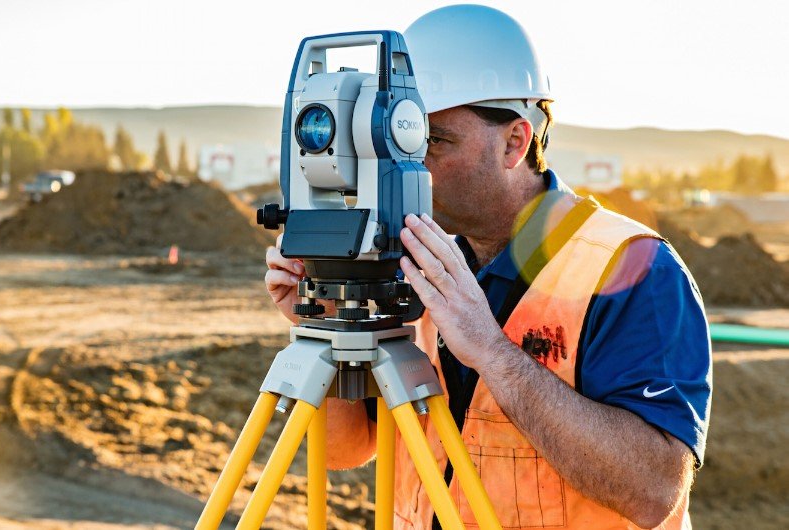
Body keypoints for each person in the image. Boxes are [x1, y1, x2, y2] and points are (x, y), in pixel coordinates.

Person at [265, 5, 711, 529]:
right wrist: (322, 323)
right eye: (396, 140)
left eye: (432, 141)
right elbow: (347, 450)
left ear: (515, 142)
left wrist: (496, 355)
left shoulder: (630, 268)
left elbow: (654, 490)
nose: (408, 164)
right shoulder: (413, 258)